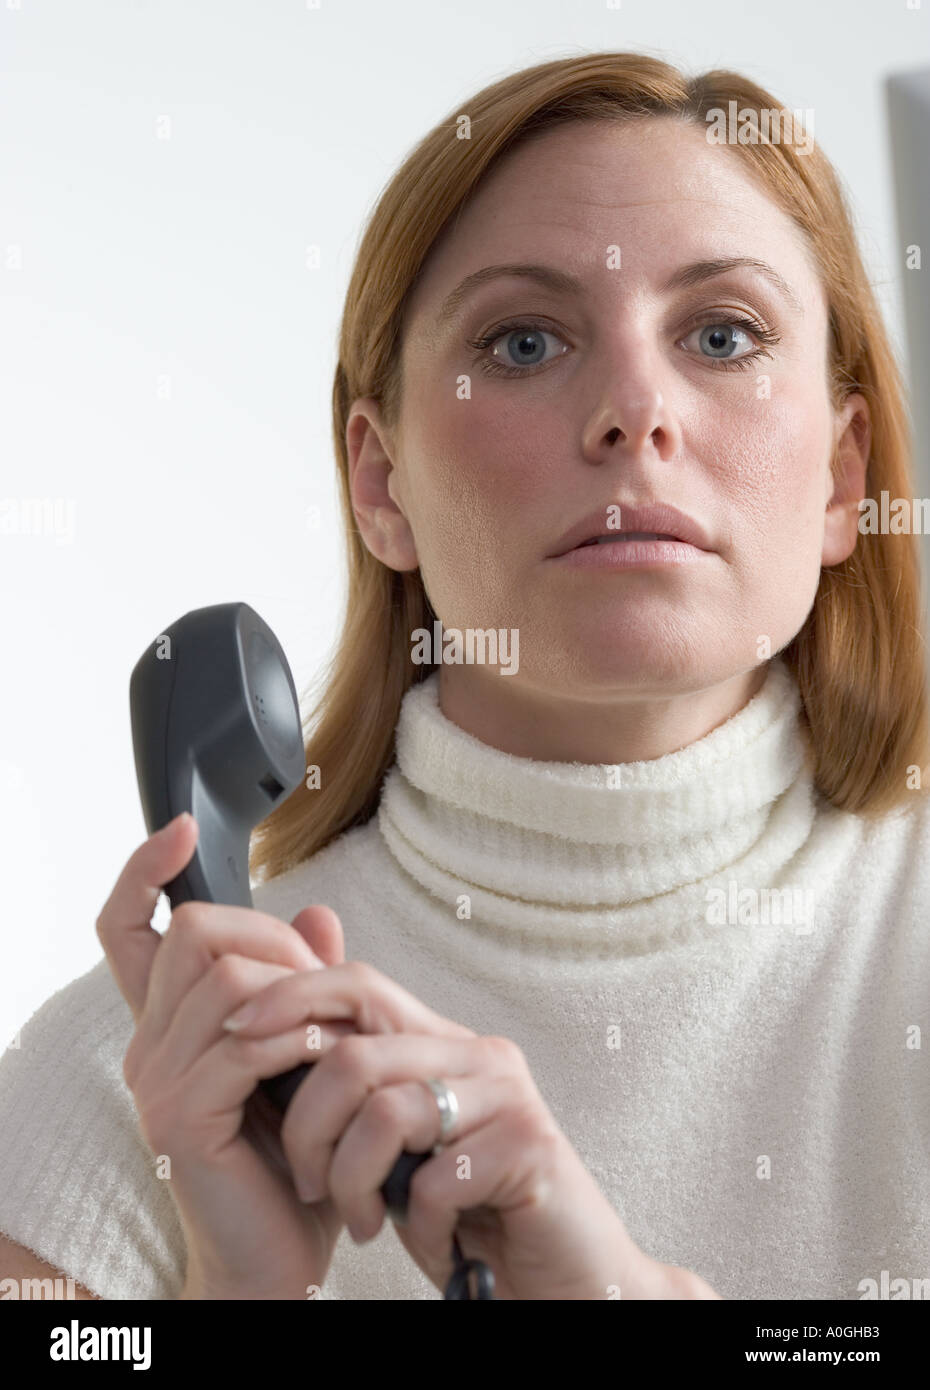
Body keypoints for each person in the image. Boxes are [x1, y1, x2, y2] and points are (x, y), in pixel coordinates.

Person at [1, 50, 928, 1302]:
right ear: (380, 485)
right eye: (526, 340)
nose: (633, 411)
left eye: (722, 333)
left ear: (840, 477)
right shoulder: (140, 1063)